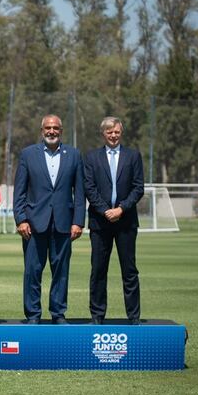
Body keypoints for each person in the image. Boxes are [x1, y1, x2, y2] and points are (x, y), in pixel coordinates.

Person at [13, 114, 85, 324]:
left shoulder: (73, 154)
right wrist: (21, 219)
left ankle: (58, 313)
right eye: (48, 128)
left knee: (61, 272)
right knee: (32, 272)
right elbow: (20, 192)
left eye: (55, 128)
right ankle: (33, 314)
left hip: (64, 224)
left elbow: (79, 192)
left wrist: (78, 221)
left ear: (61, 131)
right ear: (42, 130)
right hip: (33, 224)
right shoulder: (28, 154)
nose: (51, 131)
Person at [84, 117, 144, 325]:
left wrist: (121, 209)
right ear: (103, 133)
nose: (113, 135)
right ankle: (97, 316)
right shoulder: (91, 157)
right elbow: (89, 188)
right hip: (100, 223)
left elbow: (138, 187)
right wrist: (105, 210)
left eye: (117, 132)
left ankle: (134, 317)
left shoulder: (133, 156)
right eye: (109, 132)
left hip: (126, 222)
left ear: (121, 132)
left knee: (129, 271)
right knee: (98, 271)